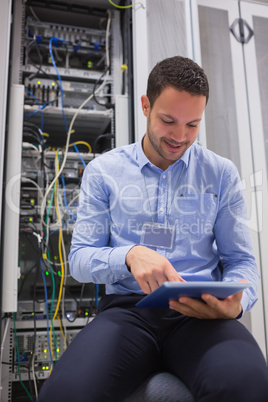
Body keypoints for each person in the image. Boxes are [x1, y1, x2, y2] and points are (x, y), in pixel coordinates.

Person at [38, 56, 268, 402]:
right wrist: (128, 255)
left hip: (199, 315)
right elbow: (81, 260)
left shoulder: (221, 173)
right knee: (65, 394)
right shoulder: (104, 172)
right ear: (145, 106)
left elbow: (241, 261)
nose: (180, 137)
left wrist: (236, 305)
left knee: (248, 386)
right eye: (168, 120)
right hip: (129, 312)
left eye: (193, 125)